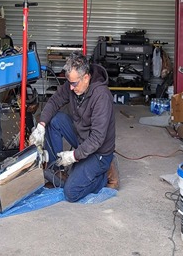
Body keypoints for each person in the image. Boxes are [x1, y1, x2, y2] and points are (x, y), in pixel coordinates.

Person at [28, 51, 119, 202]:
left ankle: (105, 175)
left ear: (86, 77)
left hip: (99, 151)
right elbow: (54, 101)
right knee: (54, 120)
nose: (70, 88)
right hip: (82, 137)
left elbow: (97, 139)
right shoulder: (74, 85)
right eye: (69, 83)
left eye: (74, 83)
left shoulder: (101, 96)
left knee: (71, 193)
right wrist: (41, 126)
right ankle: (56, 171)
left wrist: (73, 156)